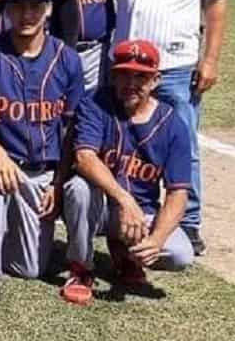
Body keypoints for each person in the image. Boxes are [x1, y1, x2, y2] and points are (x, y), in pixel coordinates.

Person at [106, 0, 231, 254]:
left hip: (175, 65)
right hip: (125, 65)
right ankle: (115, 212)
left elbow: (216, 4)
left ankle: (188, 222)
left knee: (183, 142)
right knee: (119, 138)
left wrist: (210, 59)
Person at [0, 0, 85, 319]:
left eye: (34, 6)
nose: (26, 15)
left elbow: (70, 129)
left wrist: (58, 183)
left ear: (48, 9)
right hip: (2, 161)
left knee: (28, 267)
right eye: (18, 6)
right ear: (7, 10)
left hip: (42, 172)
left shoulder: (67, 58)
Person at [63, 38, 197, 303]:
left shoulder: (172, 124)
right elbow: (84, 158)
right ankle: (81, 268)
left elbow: (178, 193)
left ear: (155, 80)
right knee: (78, 189)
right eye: (124, 74)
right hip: (100, 207)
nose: (131, 83)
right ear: (113, 75)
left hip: (141, 215)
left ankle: (127, 256)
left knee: (180, 254)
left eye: (141, 76)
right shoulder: (95, 103)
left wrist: (156, 240)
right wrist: (125, 199)